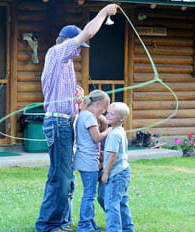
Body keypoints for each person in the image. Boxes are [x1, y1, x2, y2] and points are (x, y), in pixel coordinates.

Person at [36, 4, 118, 232]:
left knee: (66, 177)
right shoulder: (56, 54)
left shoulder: (66, 65)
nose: (80, 50)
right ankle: (47, 225)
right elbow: (89, 32)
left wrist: (78, 101)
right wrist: (103, 13)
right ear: (67, 42)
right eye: (79, 46)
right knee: (60, 177)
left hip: (65, 123)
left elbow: (65, 97)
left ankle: (61, 222)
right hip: (58, 123)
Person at [74, 90, 111, 232]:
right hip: (88, 161)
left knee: (90, 193)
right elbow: (97, 138)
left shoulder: (83, 115)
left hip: (85, 160)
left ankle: (91, 223)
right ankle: (84, 226)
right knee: (89, 194)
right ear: (97, 104)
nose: (104, 112)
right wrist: (110, 130)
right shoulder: (89, 117)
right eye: (104, 108)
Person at [101, 102, 134, 232]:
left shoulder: (114, 134)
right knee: (122, 203)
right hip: (124, 172)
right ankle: (127, 229)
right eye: (108, 112)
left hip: (115, 174)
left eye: (111, 114)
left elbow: (113, 156)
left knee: (111, 205)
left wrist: (105, 173)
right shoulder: (120, 131)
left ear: (122, 118)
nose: (107, 115)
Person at [62, 85, 85, 229]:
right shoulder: (71, 117)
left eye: (80, 97)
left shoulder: (80, 116)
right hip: (69, 155)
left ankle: (68, 219)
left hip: (74, 155)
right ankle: (65, 220)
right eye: (76, 97)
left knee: (70, 187)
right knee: (67, 188)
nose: (78, 100)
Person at [97, 114, 108, 211]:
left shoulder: (105, 139)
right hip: (95, 170)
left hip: (104, 171)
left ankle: (114, 218)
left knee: (102, 197)